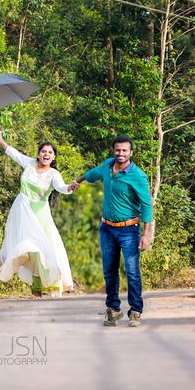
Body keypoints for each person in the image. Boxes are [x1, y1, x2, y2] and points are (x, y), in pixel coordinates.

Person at [68, 135, 153, 327]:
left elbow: (147, 206)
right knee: (109, 271)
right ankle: (113, 310)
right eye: (117, 150)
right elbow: (92, 174)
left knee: (132, 272)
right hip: (106, 228)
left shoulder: (137, 176)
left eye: (124, 150)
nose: (120, 153)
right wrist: (77, 181)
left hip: (129, 230)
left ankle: (135, 312)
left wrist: (146, 235)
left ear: (131, 152)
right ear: (113, 151)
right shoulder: (108, 165)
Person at [0, 129, 75, 297]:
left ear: (53, 157)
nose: (46, 154)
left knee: (45, 249)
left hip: (40, 215)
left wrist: (69, 188)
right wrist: (2, 142)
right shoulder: (29, 164)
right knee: (24, 247)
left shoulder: (53, 174)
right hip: (21, 211)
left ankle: (55, 285)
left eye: (50, 152)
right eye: (43, 151)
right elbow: (15, 154)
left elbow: (61, 187)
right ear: (38, 154)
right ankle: (33, 289)